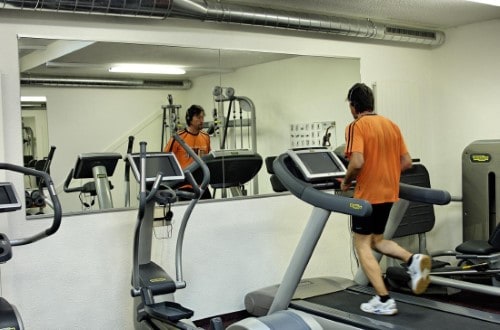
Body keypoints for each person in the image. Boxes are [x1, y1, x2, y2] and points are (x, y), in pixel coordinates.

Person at [340, 83, 431, 316]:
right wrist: (386, 173)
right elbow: (407, 162)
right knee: (377, 240)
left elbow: (357, 162)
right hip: (389, 193)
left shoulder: (356, 126)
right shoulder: (391, 125)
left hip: (367, 196)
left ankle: (384, 299)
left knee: (361, 245)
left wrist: (347, 182)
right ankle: (413, 260)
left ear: (353, 106)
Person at [164, 104, 212, 199]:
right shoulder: (178, 138)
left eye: (202, 117)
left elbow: (208, 159)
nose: (201, 120)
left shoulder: (205, 136)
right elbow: (166, 160)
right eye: (198, 117)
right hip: (184, 186)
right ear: (189, 118)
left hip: (202, 186)